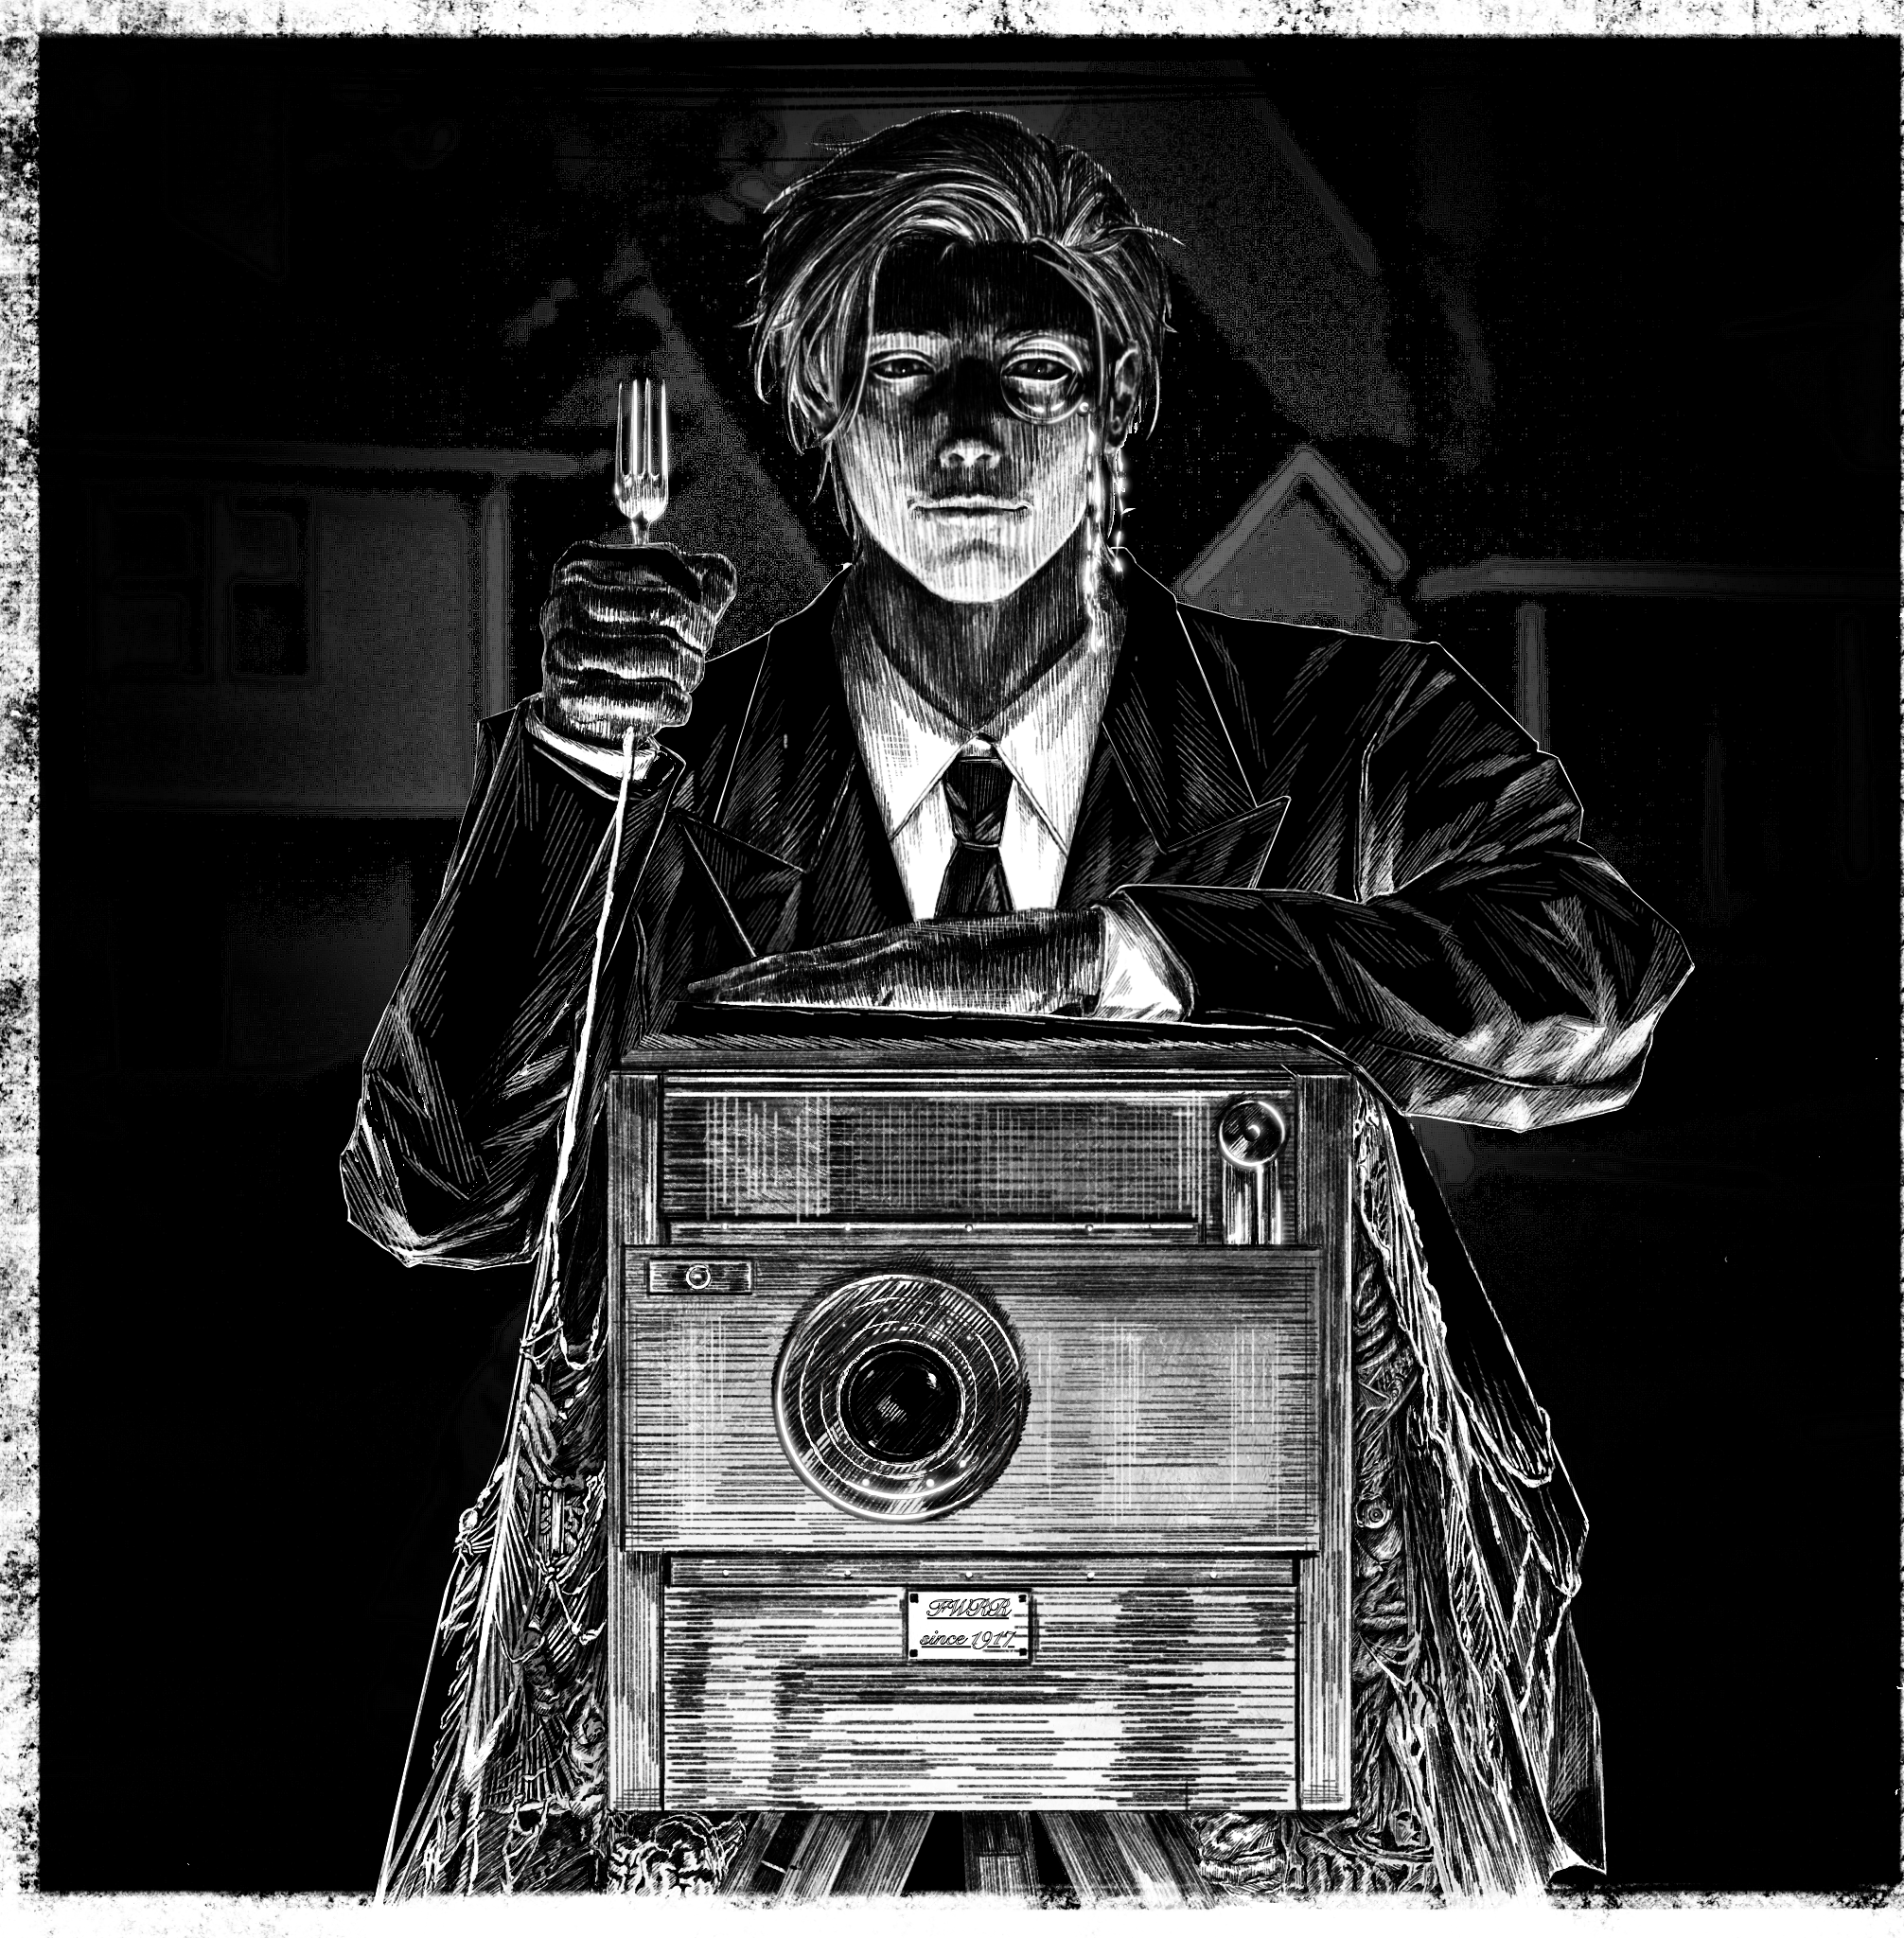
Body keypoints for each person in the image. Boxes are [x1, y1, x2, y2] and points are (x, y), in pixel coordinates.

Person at [346, 110, 1691, 1899]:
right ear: (818, 408)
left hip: (1254, 1697)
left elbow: (1600, 985)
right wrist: (575, 774)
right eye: (905, 370)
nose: (971, 433)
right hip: (768, 1711)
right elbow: (436, 1196)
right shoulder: (665, 769)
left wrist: (1153, 959)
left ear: (1120, 403)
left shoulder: (1349, 733)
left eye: (1036, 373)